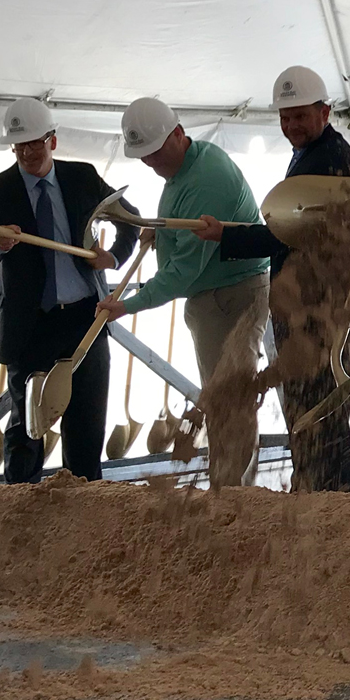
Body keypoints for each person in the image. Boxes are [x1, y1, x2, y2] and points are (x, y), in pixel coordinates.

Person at [195, 65, 350, 493]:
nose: (291, 125)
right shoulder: (312, 154)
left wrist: (227, 235)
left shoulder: (329, 159)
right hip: (311, 307)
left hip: (322, 311)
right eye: (284, 117)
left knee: (318, 410)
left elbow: (289, 233)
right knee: (309, 408)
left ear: (325, 111)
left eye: (300, 116)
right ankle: (316, 491)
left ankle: (326, 499)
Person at [94, 96, 269, 484]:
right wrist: (162, 228)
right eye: (143, 156)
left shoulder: (207, 179)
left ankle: (233, 497)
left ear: (178, 133)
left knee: (230, 399)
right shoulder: (190, 164)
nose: (151, 162)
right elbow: (183, 238)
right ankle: (229, 489)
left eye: (155, 152)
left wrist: (128, 305)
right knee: (224, 396)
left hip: (231, 296)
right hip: (217, 295)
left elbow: (182, 275)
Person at [0, 96, 139, 483]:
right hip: (30, 327)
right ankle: (22, 516)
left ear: (53, 141)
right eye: (20, 145)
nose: (28, 152)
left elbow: (133, 220)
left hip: (85, 321)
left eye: (36, 143)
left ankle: (83, 512)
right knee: (27, 427)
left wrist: (111, 258)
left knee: (87, 425)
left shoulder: (83, 178)